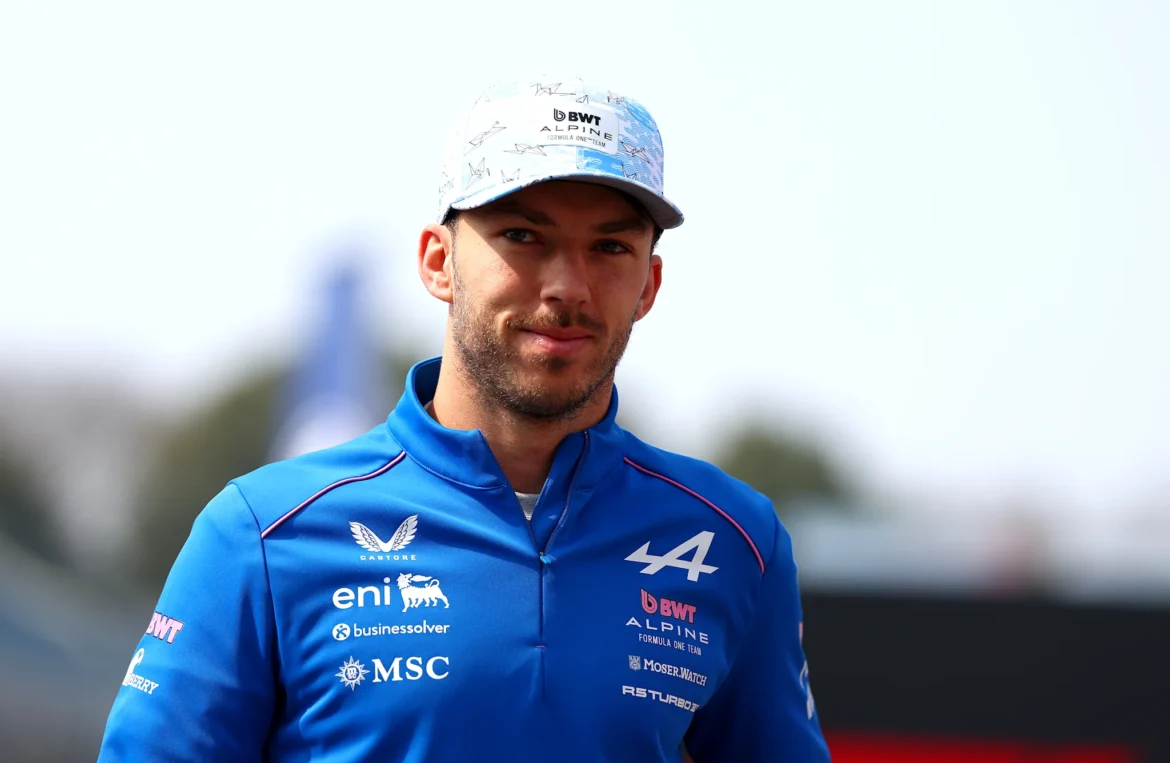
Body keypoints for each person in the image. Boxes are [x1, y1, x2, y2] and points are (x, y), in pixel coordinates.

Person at [98, 75, 830, 762]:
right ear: (437, 261)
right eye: (523, 236)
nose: (567, 286)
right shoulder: (260, 532)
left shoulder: (736, 540)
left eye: (609, 246)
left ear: (649, 284)